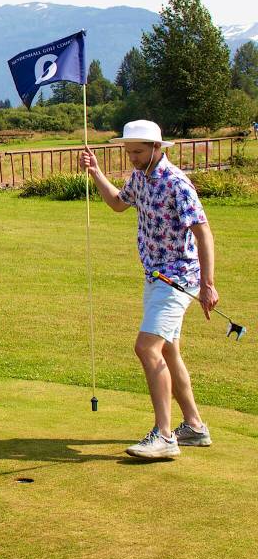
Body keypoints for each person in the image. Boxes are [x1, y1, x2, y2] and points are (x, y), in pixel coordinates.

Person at [80, 120, 216, 460]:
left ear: (158, 148)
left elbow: (203, 233)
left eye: (138, 152)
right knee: (168, 351)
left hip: (178, 279)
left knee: (146, 348)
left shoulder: (177, 184)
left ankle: (165, 436)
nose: (133, 158)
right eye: (129, 152)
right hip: (155, 277)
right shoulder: (139, 178)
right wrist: (96, 173)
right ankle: (195, 427)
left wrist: (209, 284)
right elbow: (117, 203)